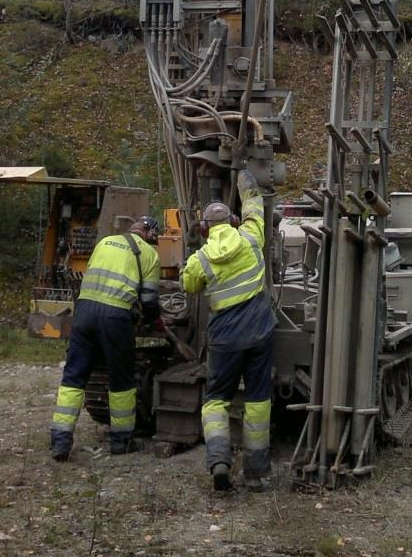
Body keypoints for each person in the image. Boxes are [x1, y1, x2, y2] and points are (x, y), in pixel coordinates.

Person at [180, 169, 276, 491]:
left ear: (206, 229)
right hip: (260, 331)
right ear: (233, 221)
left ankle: (220, 460)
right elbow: (255, 211)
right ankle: (256, 473)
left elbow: (188, 284)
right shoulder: (250, 239)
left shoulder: (202, 259)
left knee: (216, 400)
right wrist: (246, 183)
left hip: (225, 338)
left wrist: (193, 249)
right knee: (258, 400)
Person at [49, 215, 161, 461]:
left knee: (74, 376)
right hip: (115, 317)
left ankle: (60, 441)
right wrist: (152, 319)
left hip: (84, 313)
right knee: (121, 380)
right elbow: (150, 301)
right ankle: (122, 441)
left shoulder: (106, 242)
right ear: (150, 234)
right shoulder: (149, 255)